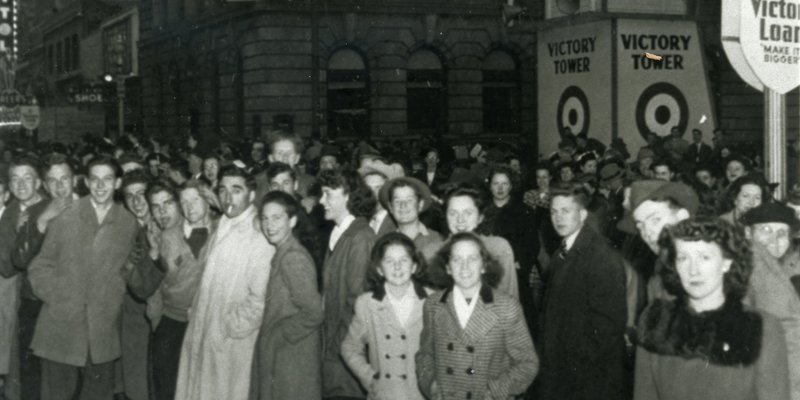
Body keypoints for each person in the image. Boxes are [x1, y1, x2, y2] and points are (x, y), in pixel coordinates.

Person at [633, 218, 790, 400]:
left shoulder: (763, 328)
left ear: (726, 262)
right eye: (683, 258)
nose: (693, 270)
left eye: (704, 257)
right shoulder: (657, 322)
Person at [28, 156, 140, 400]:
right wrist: (59, 296)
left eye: (107, 179)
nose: (100, 186)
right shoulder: (66, 216)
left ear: (118, 183)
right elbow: (39, 267)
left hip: (102, 332)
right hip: (61, 326)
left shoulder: (128, 223)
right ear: (86, 183)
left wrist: (112, 299)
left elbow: (128, 272)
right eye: (95, 179)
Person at [174, 165, 274, 400]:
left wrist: (226, 328)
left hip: (230, 343)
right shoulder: (222, 226)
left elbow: (259, 301)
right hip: (205, 334)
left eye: (236, 190)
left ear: (250, 195)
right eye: (223, 190)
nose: (228, 197)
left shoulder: (258, 237)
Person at [416, 232, 538, 400]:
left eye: (472, 259)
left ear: (484, 266)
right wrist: (431, 385)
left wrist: (494, 391)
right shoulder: (433, 304)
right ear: (448, 267)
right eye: (457, 260)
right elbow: (425, 355)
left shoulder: (506, 307)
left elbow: (527, 364)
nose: (464, 267)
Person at [538, 183, 628, 400]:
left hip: (586, 378)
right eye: (554, 211)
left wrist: (572, 366)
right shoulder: (565, 249)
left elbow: (608, 327)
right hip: (566, 370)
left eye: (566, 211)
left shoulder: (600, 255)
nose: (558, 218)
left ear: (583, 214)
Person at [9, 154, 78, 400]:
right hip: (36, 304)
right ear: (45, 185)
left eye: (65, 179)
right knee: (33, 375)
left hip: (77, 306)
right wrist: (43, 221)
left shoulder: (91, 209)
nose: (60, 186)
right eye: (53, 181)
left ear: (75, 180)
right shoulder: (37, 211)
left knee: (72, 377)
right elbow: (18, 258)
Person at [250, 191, 323, 400]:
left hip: (291, 359)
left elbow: (315, 312)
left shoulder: (292, 257)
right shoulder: (283, 252)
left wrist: (278, 335)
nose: (269, 225)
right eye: (264, 219)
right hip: (285, 356)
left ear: (292, 221)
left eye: (276, 218)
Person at [341, 232, 428, 400]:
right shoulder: (367, 304)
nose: (397, 267)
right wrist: (370, 378)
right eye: (389, 261)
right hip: (385, 394)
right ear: (379, 269)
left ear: (414, 266)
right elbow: (349, 347)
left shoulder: (432, 302)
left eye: (403, 260)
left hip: (421, 395)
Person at [317, 168, 376, 400]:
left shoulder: (360, 238)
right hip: (333, 349)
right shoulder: (339, 233)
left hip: (345, 354)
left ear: (348, 196)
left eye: (328, 194)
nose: (322, 201)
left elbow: (357, 303)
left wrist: (335, 350)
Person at [740, 203, 800, 400]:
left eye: (782, 232)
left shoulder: (771, 267)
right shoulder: (757, 264)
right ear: (748, 232)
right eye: (766, 230)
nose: (775, 239)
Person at [423, 184, 519, 299]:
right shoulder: (430, 252)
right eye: (453, 213)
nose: (460, 219)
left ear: (480, 218)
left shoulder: (497, 248)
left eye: (468, 212)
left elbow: (509, 299)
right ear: (445, 217)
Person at [0, 157, 45, 399]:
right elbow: (6, 266)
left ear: (38, 182)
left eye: (27, 178)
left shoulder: (49, 209)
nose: (21, 184)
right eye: (15, 179)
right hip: (20, 300)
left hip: (43, 299)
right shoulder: (12, 212)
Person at [380, 176, 443, 251]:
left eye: (409, 200)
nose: (403, 205)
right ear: (390, 207)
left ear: (420, 205)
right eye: (397, 201)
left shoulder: (437, 240)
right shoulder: (386, 243)